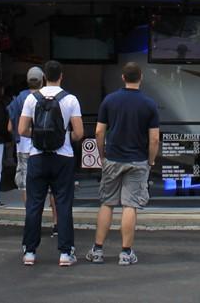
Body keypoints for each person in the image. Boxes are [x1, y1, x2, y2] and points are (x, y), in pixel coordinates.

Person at [85, 62, 160, 266]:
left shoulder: (110, 100)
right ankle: (126, 253)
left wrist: (102, 155)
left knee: (107, 203)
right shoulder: (149, 104)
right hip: (137, 160)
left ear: (123, 77)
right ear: (141, 78)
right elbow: (154, 139)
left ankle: (98, 250)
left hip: (113, 158)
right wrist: (151, 159)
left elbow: (99, 132)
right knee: (130, 205)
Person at [19, 60, 84, 266]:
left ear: (44, 76)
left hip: (37, 156)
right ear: (61, 76)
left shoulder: (31, 98)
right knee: (63, 204)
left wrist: (37, 135)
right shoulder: (71, 99)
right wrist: (65, 137)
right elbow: (80, 133)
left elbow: (21, 130)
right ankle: (65, 253)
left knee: (34, 204)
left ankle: (29, 251)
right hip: (63, 157)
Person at [8, 67, 59, 232]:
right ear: (42, 79)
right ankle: (56, 223)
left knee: (25, 185)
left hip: (23, 147)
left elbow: (10, 126)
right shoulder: (47, 96)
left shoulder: (19, 99)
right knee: (52, 186)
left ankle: (31, 221)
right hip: (45, 146)